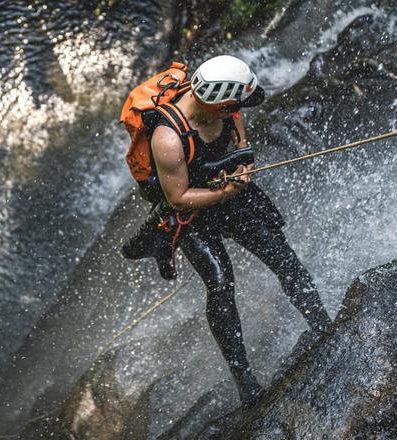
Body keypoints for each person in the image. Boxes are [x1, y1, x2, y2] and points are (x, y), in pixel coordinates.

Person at [122, 55, 332, 404]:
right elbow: (178, 197)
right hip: (191, 212)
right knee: (220, 283)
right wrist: (228, 190)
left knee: (283, 256)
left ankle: (322, 323)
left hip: (225, 192)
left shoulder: (226, 109)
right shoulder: (168, 137)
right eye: (234, 106)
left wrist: (243, 167)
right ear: (216, 103)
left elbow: (240, 146)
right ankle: (243, 377)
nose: (238, 111)